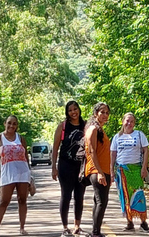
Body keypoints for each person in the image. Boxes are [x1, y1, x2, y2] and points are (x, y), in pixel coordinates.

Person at [110, 112, 149, 233]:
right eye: (127, 121)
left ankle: (143, 222)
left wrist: (144, 167)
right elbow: (113, 154)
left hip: (136, 170)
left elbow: (146, 151)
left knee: (139, 194)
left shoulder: (139, 135)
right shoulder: (117, 137)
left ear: (134, 123)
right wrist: (111, 171)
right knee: (124, 196)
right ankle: (129, 222)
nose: (129, 123)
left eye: (132, 121)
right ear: (123, 121)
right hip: (122, 171)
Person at [52, 100, 87, 236]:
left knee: (79, 196)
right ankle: (65, 227)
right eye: (70, 110)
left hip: (81, 166)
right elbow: (55, 148)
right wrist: (53, 167)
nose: (73, 112)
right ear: (67, 113)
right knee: (66, 196)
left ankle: (77, 225)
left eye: (75, 109)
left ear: (79, 109)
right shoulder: (63, 126)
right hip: (65, 165)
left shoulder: (86, 126)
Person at [84, 102, 111, 237]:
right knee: (102, 202)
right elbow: (92, 151)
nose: (105, 115)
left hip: (104, 170)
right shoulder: (93, 129)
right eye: (102, 112)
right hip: (97, 171)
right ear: (95, 114)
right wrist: (100, 172)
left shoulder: (99, 129)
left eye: (107, 112)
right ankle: (95, 233)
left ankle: (96, 231)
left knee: (98, 202)